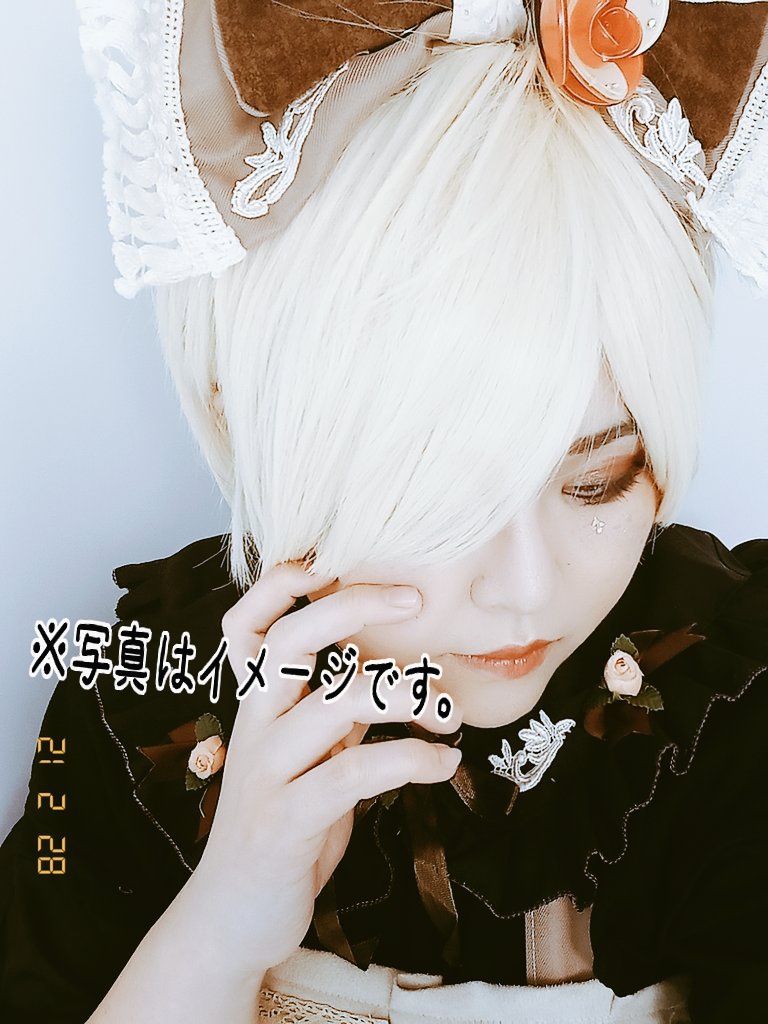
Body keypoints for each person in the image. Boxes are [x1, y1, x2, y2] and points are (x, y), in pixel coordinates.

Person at [1, 0, 767, 1022]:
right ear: (264, 422)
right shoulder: (133, 702)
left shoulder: (735, 700)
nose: (526, 589)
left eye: (600, 478)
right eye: (439, 500)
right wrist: (218, 929)